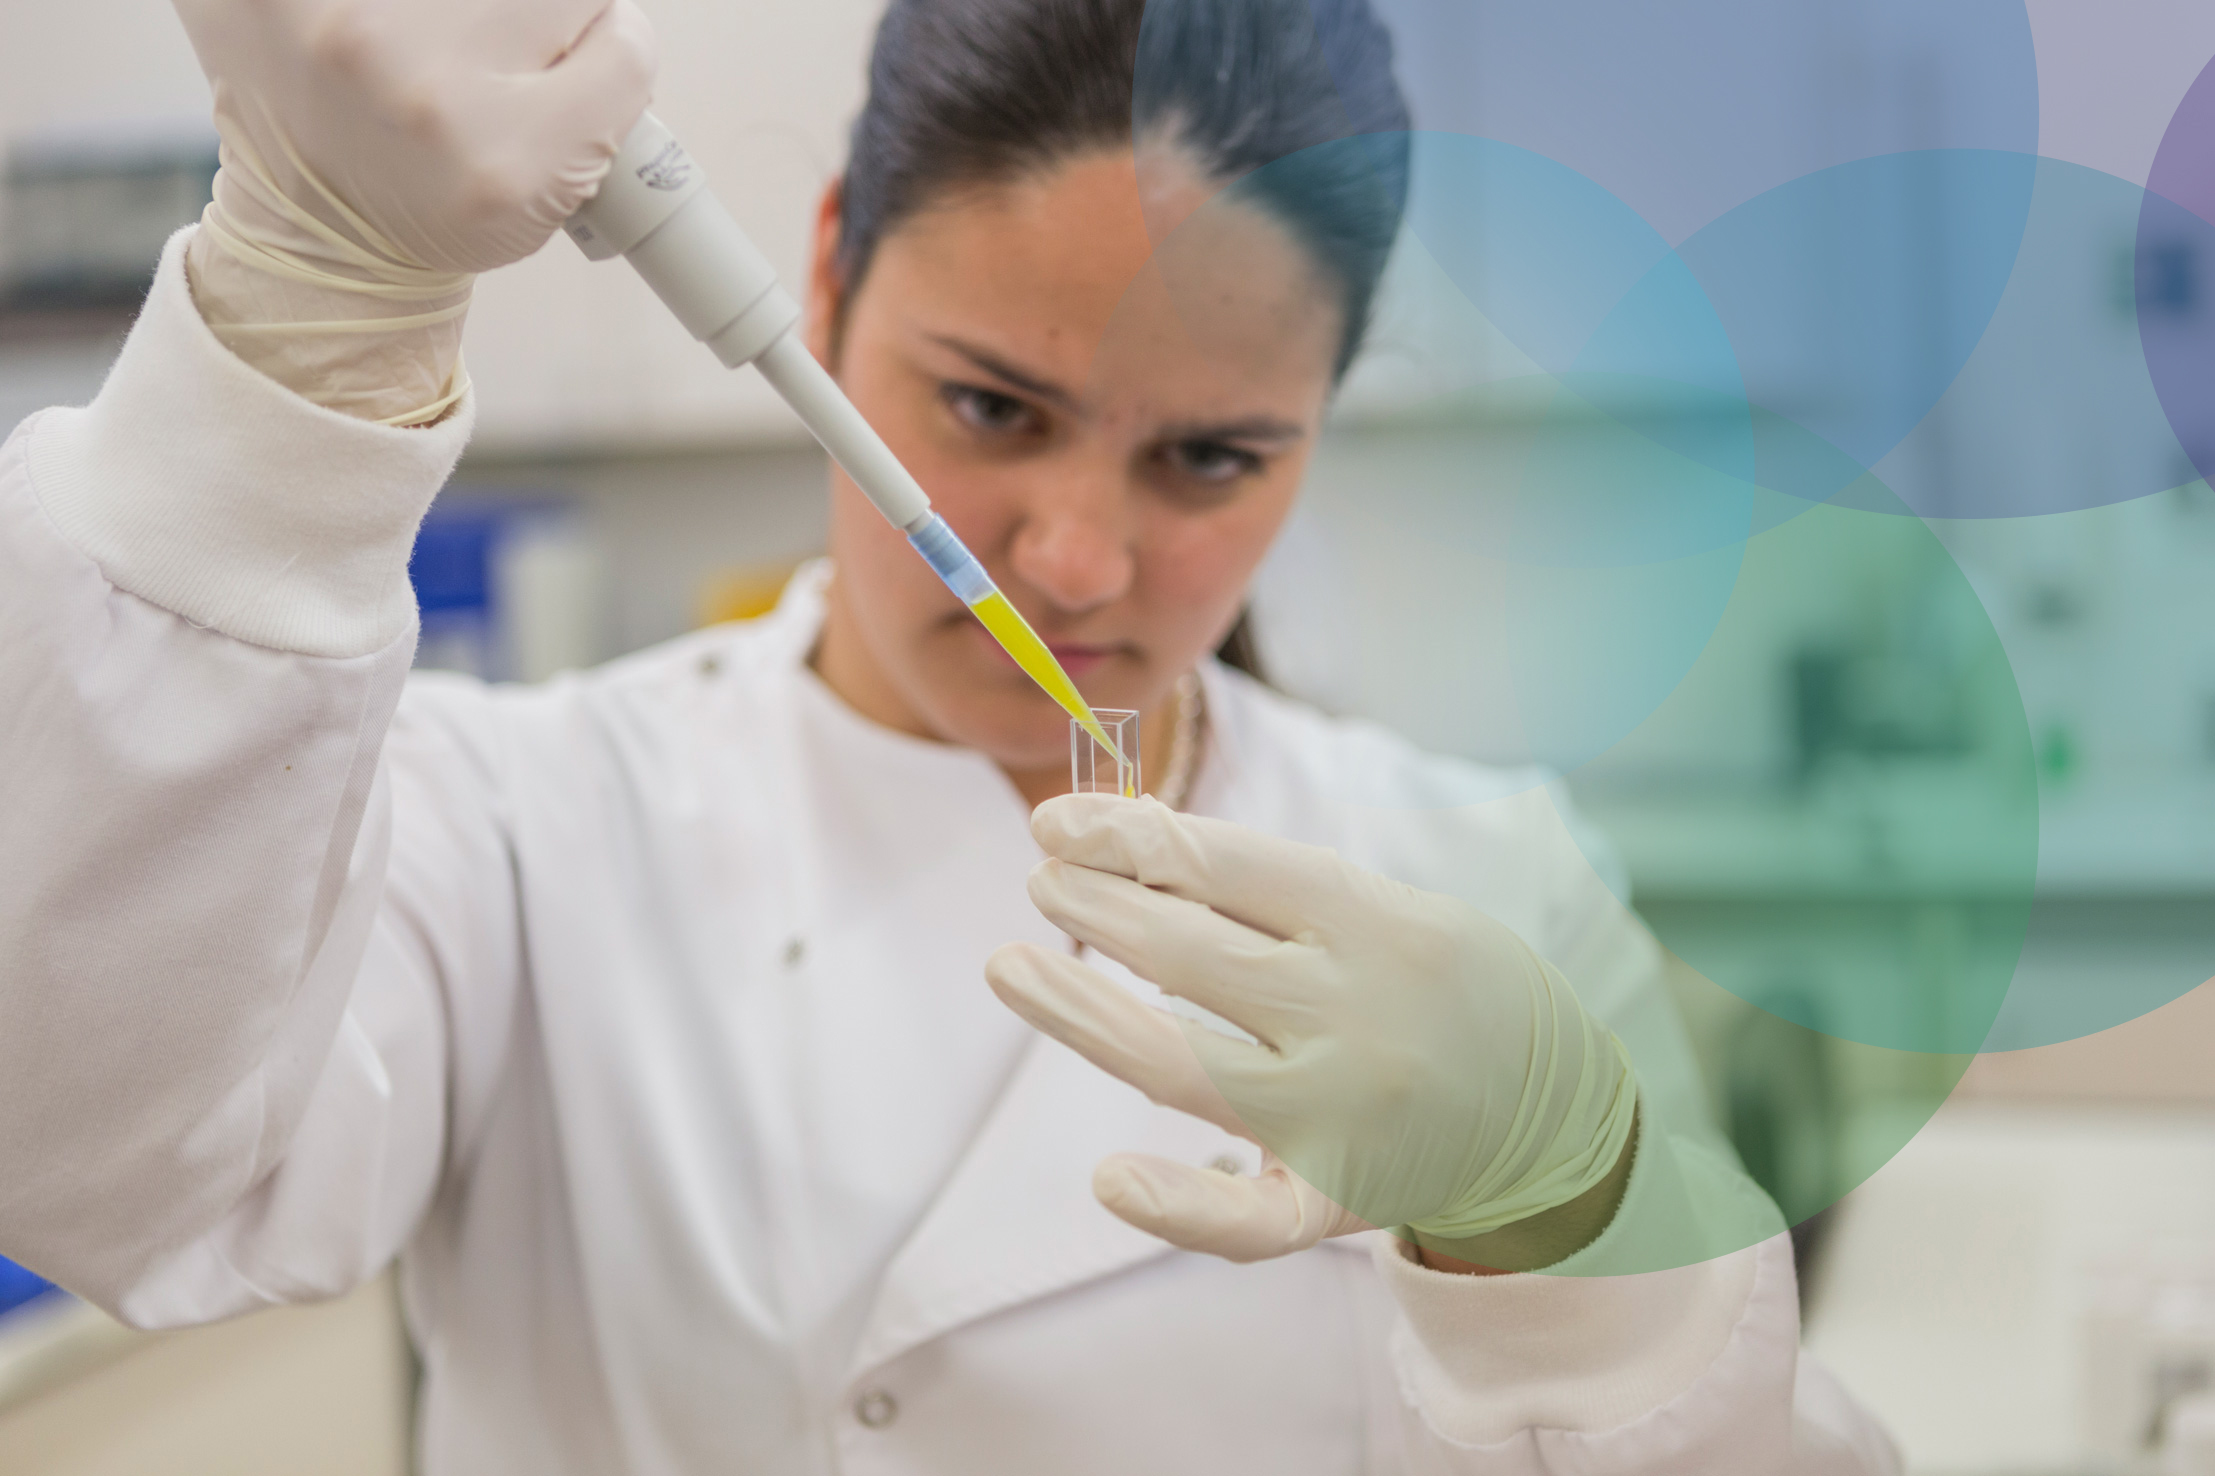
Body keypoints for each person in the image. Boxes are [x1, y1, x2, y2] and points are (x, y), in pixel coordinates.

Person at [0, 0, 1899, 1470]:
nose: (1072, 562)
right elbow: (93, 1163)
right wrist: (301, 318)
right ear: (825, 277)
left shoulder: (1486, 883)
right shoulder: (526, 818)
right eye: (993, 408)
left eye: (1210, 457)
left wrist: (1564, 1220)